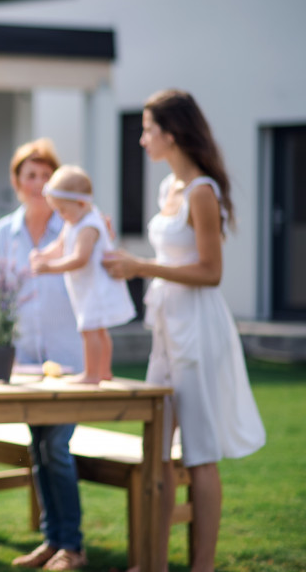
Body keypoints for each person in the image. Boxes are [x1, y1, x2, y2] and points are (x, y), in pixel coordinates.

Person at [103, 89, 265, 572]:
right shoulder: (168, 189)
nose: (142, 139)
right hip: (167, 327)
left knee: (198, 453)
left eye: (148, 129)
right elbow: (166, 257)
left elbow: (211, 272)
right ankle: (151, 562)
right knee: (158, 452)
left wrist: (142, 267)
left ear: (171, 135)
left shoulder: (201, 191)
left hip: (197, 328)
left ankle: (203, 567)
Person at [0, 139, 88, 570]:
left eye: (47, 176)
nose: (39, 183)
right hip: (23, 360)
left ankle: (74, 548)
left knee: (56, 449)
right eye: (31, 175)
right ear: (17, 181)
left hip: (70, 359)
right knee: (40, 448)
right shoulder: (3, 232)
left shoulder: (73, 229)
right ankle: (53, 542)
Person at [30, 165, 135, 384]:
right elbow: (60, 245)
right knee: (98, 330)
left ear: (81, 203)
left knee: (90, 330)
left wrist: (50, 268)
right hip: (86, 288)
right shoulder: (74, 220)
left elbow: (80, 258)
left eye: (63, 210)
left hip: (95, 289)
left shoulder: (89, 226)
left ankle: (92, 374)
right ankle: (103, 371)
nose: (61, 215)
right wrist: (43, 254)